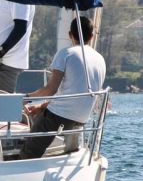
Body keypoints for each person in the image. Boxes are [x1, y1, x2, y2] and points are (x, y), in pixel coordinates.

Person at [19, 17, 106, 160]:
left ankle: (25, 162)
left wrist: (26, 98)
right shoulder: (100, 59)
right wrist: (41, 106)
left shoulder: (66, 54)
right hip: (82, 118)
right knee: (40, 116)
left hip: (59, 117)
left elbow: (50, 90)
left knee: (29, 151)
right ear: (91, 36)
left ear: (70, 34)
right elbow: (74, 93)